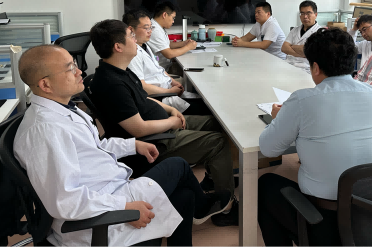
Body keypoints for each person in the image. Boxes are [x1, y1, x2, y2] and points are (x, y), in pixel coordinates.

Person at [13, 45, 230, 247]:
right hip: (99, 220)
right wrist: (123, 207)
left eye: (75, 65)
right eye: (70, 68)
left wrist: (133, 145)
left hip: (110, 191)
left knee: (184, 197)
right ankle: (203, 207)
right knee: (177, 166)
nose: (79, 72)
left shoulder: (65, 109)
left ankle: (199, 208)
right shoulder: (45, 130)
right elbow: (65, 200)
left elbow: (95, 146)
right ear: (45, 85)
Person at [88, 20, 238, 226]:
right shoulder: (112, 84)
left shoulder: (120, 70)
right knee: (218, 142)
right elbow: (138, 128)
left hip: (162, 124)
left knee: (216, 123)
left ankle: (214, 180)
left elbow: (142, 98)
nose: (136, 40)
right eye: (131, 36)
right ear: (118, 47)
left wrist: (170, 110)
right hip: (154, 141)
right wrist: (170, 122)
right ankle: (227, 207)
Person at [257, 28, 372, 247]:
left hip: (326, 221)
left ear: (315, 67)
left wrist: (278, 119)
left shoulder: (303, 100)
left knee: (266, 184)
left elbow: (268, 149)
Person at [123, 9, 209, 115]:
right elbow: (141, 87)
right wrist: (169, 91)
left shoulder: (144, 45)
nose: (150, 31)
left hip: (168, 89)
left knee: (205, 101)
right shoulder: (133, 54)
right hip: (162, 97)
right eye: (146, 28)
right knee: (208, 110)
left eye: (151, 27)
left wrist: (172, 81)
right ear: (131, 29)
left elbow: (158, 68)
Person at [147, 1, 197, 70]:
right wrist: (188, 47)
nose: (173, 21)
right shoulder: (155, 30)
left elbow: (166, 45)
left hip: (165, 67)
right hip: (160, 70)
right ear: (164, 15)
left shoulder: (158, 27)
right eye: (173, 18)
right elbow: (169, 54)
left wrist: (183, 43)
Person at [281, 0, 321, 73]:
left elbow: (311, 52)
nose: (305, 17)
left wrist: (292, 47)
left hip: (307, 69)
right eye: (302, 13)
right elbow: (284, 48)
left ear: (315, 15)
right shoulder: (295, 30)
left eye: (308, 13)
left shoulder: (320, 32)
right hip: (288, 64)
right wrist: (303, 53)